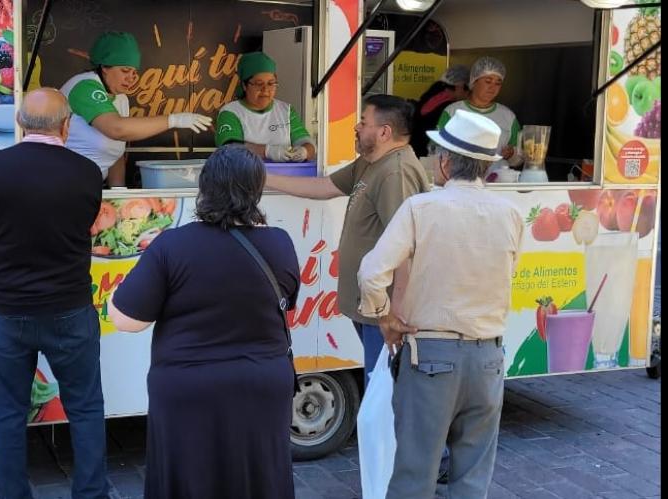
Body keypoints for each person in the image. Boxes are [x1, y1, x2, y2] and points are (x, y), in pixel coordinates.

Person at [108, 145, 300, 499]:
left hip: (189, 389)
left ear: (205, 186)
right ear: (256, 190)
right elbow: (286, 306)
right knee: (258, 478)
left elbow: (126, 320)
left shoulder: (172, 246)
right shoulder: (280, 243)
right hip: (262, 385)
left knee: (190, 480)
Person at [357, 109, 524, 498]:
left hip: (430, 355)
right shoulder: (512, 215)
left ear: (446, 162)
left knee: (414, 476)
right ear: (486, 166)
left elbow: (371, 273)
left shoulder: (422, 208)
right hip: (488, 359)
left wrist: (383, 316)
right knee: (472, 478)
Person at [0, 89, 108, 499]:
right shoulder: (87, 172)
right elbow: (87, 221)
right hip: (69, 308)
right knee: (84, 408)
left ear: (20, 122)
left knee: (8, 413)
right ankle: (91, 494)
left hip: (6, 310)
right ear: (66, 126)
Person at [265, 94, 430, 386]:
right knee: (379, 387)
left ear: (384, 132)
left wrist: (394, 315)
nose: (356, 127)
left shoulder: (396, 172)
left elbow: (407, 248)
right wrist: (263, 178)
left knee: (383, 393)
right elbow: (325, 186)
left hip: (385, 311)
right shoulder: (370, 162)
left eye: (363, 122)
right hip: (370, 307)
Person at [61, 31, 212, 186]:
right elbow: (117, 129)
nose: (131, 78)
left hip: (91, 187)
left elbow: (116, 154)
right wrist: (173, 120)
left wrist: (119, 193)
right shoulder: (84, 86)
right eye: (125, 71)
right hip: (65, 183)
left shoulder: (121, 99)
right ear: (105, 67)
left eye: (134, 72)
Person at [214, 52, 316, 163]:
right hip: (245, 177)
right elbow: (229, 147)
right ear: (244, 85)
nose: (265, 89)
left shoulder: (286, 111)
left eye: (271, 83)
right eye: (259, 84)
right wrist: (268, 151)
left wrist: (305, 151)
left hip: (285, 177)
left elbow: (306, 141)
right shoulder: (230, 112)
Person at [438, 56, 523, 169]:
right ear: (474, 82)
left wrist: (511, 154)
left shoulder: (508, 116)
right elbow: (436, 150)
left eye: (498, 83)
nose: (493, 87)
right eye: (488, 81)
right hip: (460, 181)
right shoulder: (452, 112)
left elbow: (520, 158)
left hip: (496, 182)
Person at [410, 65, 469, 157]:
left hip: (416, 146)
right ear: (459, 87)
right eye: (467, 90)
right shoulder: (449, 107)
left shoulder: (436, 90)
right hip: (425, 150)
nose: (468, 94)